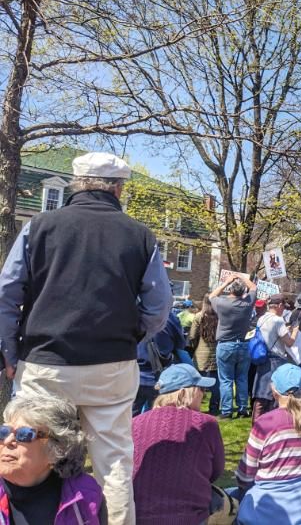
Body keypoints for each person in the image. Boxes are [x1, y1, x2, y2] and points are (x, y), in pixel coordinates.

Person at [0, 151, 172, 525]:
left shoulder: (39, 226)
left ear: (76, 184)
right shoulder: (139, 235)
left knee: (29, 451)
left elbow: (7, 294)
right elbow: (159, 307)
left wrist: (10, 353)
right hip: (110, 366)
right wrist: (133, 335)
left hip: (45, 362)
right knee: (113, 462)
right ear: (117, 188)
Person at [235, 364, 301, 525]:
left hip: (268, 514)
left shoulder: (265, 423)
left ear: (274, 391)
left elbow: (245, 474)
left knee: (227, 501)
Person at [132, 364, 233, 525]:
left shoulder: (135, 424)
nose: (203, 394)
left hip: (139, 516)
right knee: (230, 503)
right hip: (191, 517)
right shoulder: (206, 424)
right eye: (201, 389)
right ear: (185, 392)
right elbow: (216, 470)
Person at [0, 393, 106, 524]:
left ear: (58, 449)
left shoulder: (84, 495)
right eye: (3, 432)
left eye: (24, 434)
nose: (8, 441)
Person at [210, 273, 257, 419]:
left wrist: (226, 282)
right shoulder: (247, 304)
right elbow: (254, 287)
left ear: (230, 290)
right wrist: (242, 278)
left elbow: (212, 295)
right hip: (243, 345)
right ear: (243, 292)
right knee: (242, 378)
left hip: (225, 345)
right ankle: (242, 409)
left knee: (225, 380)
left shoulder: (222, 304)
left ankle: (227, 410)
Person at [250, 294, 300, 421]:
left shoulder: (262, 318)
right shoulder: (278, 320)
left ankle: (257, 425)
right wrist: (295, 331)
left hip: (263, 357)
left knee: (261, 395)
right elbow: (289, 342)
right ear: (278, 305)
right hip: (276, 360)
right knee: (276, 394)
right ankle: (273, 423)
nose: (284, 309)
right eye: (283, 306)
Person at [134, 311, 186, 415]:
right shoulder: (169, 317)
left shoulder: (132, 313)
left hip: (134, 374)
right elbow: (180, 344)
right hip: (160, 376)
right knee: (157, 416)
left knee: (129, 418)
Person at [190, 294, 221, 415]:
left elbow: (192, 336)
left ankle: (195, 406)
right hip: (216, 352)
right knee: (216, 383)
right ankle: (214, 408)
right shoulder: (219, 317)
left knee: (198, 381)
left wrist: (193, 346)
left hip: (201, 353)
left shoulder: (199, 316)